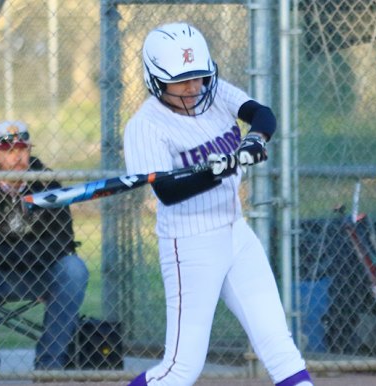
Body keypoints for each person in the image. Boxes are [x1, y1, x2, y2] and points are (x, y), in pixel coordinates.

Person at [125, 23, 313, 386]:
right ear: (156, 80)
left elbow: (262, 114)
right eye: (181, 82)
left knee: (280, 347)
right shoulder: (145, 127)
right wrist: (218, 169)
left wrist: (254, 140)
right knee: (181, 369)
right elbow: (167, 191)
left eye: (197, 77)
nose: (193, 88)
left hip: (236, 234)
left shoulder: (213, 93)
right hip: (190, 246)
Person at [0, 120, 89, 371]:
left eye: (22, 149)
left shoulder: (46, 183)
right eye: (8, 150)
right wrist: (25, 254)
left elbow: (62, 240)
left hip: (37, 273)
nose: (17, 156)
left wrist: (10, 254)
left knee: (73, 268)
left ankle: (49, 367)